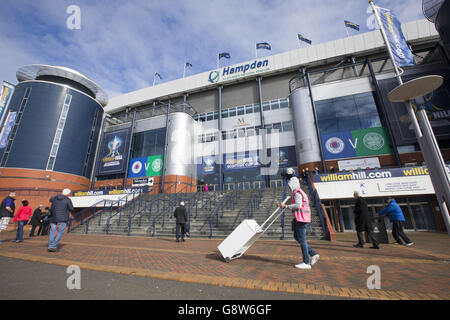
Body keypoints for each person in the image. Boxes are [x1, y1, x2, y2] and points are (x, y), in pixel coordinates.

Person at [280, 168, 319, 270]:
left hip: (301, 219)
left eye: (289, 186)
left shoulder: (297, 192)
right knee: (297, 237)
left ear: (292, 185)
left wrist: (286, 207)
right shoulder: (298, 192)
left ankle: (306, 262)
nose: (289, 188)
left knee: (302, 240)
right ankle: (313, 254)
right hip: (300, 218)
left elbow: (298, 205)